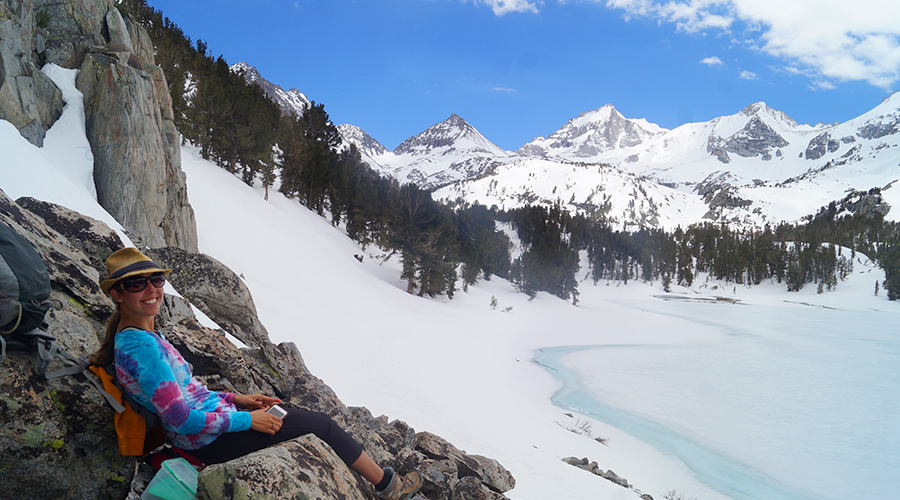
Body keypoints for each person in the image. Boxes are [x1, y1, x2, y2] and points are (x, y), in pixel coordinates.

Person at [90, 247, 422, 500]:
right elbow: (180, 420)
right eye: (136, 284)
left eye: (156, 280)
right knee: (321, 425)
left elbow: (187, 394)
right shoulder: (142, 349)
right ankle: (389, 486)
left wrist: (238, 399)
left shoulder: (142, 335)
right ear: (117, 294)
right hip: (207, 442)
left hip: (214, 427)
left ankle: (383, 480)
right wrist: (249, 421)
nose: (151, 290)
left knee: (291, 415)